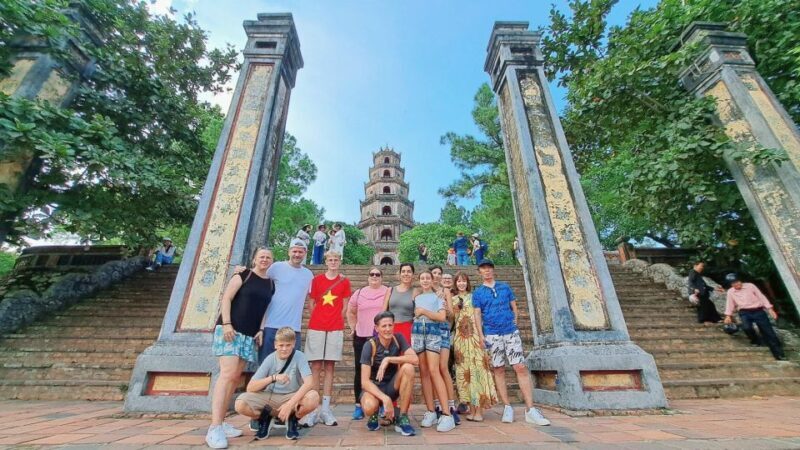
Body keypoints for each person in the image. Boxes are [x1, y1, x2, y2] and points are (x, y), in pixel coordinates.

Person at [206, 248, 275, 449]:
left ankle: (223, 421)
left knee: (235, 377)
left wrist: (261, 329)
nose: (264, 260)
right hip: (231, 330)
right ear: (254, 258)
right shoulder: (243, 274)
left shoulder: (270, 284)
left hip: (249, 334)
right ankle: (215, 427)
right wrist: (227, 324)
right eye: (261, 256)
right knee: (227, 375)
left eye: (268, 257)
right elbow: (226, 298)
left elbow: (264, 309)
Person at [472, 259, 550, 426]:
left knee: (520, 367)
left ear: (493, 270)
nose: (487, 271)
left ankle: (530, 409)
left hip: (510, 331)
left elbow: (514, 306)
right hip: (492, 334)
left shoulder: (505, 287)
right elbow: (477, 315)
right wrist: (480, 335)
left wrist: (514, 320)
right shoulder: (478, 293)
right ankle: (507, 406)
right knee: (498, 369)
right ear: (479, 272)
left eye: (489, 268)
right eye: (483, 269)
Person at [234, 327, 320, 442]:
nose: (284, 349)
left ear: (294, 344)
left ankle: (293, 419)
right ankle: (264, 418)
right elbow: (250, 387)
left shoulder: (299, 356)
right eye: (281, 345)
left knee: (313, 397)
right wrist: (272, 378)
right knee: (240, 404)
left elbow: (309, 382)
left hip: (291, 396)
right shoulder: (270, 359)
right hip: (270, 397)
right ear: (275, 344)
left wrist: (290, 404)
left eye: (288, 345)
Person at [305, 251, 352, 426]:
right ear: (326, 261)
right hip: (317, 326)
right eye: (330, 259)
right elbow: (311, 302)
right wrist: (317, 317)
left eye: (336, 260)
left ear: (340, 261)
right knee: (316, 366)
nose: (333, 262)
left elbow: (346, 304)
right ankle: (313, 408)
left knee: (330, 366)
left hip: (335, 326)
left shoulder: (345, 281)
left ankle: (325, 409)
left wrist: (337, 318)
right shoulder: (316, 280)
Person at [360, 311, 418, 437]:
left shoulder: (398, 338)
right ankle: (374, 415)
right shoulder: (369, 345)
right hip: (374, 389)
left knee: (408, 368)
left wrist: (389, 359)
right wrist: (385, 399)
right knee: (369, 406)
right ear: (377, 328)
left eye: (390, 325)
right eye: (384, 326)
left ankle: (402, 417)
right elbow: (364, 382)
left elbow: (415, 360)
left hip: (392, 386)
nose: (387, 329)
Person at [412, 270, 456, 432]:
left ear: (432, 280)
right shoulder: (416, 296)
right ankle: (430, 410)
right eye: (422, 278)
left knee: (434, 370)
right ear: (419, 280)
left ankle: (446, 414)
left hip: (433, 331)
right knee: (423, 372)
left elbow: (442, 317)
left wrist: (423, 312)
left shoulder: (438, 296)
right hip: (417, 331)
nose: (424, 280)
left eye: (427, 278)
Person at [257, 239, 313, 363]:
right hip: (271, 325)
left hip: (294, 328)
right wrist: (243, 270)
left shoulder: (308, 275)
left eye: (300, 252)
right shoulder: (276, 267)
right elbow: (258, 276)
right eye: (294, 251)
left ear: (305, 253)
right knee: (265, 365)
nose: (297, 254)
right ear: (289, 252)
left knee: (289, 368)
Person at [452, 271, 497, 422]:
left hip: (475, 337)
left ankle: (479, 411)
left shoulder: (475, 297)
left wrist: (481, 336)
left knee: (477, 372)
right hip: (460, 341)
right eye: (458, 281)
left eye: (464, 281)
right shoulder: (452, 300)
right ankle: (471, 410)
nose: (461, 284)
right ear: (455, 283)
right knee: (465, 375)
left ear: (468, 282)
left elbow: (480, 316)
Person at [346, 267, 389, 420]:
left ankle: (382, 403)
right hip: (362, 336)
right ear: (368, 277)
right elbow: (350, 311)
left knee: (381, 370)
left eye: (378, 274)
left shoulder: (387, 291)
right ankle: (359, 404)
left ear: (382, 277)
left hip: (380, 337)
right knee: (360, 370)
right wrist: (353, 327)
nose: (375, 276)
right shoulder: (359, 292)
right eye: (372, 274)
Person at [724, 274, 785, 360]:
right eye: (734, 283)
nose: (737, 284)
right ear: (731, 284)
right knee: (747, 328)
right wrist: (728, 316)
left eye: (738, 282)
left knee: (768, 332)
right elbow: (729, 304)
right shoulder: (730, 292)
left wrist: (770, 309)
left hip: (758, 311)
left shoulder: (750, 286)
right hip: (744, 312)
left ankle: (779, 354)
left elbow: (761, 296)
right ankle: (756, 341)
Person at [435, 270, 460, 424]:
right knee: (432, 370)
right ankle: (436, 406)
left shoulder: (445, 292)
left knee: (443, 369)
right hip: (428, 332)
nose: (437, 276)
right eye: (435, 274)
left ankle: (451, 406)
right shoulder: (422, 291)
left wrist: (444, 307)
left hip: (443, 331)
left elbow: (451, 315)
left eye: (439, 273)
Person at [383, 263, 416, 343]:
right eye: (403, 271)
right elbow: (383, 311)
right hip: (390, 328)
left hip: (407, 328)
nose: (406, 274)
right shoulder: (390, 290)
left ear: (413, 275)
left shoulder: (416, 291)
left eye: (409, 271)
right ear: (400, 274)